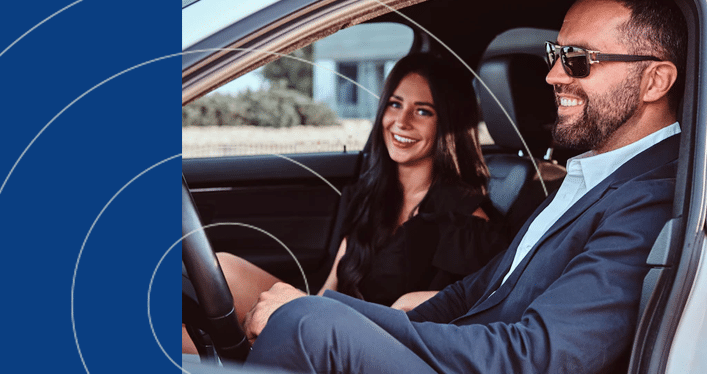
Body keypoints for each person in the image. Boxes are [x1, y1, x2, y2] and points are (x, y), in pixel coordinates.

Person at [241, 0, 687, 374]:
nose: (553, 75)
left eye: (578, 59)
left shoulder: (651, 196)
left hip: (499, 370)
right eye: (556, 53)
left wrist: (330, 314)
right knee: (307, 316)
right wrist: (363, 320)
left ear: (655, 81)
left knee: (307, 324)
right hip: (478, 358)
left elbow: (535, 361)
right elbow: (471, 294)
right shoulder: (590, 177)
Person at [183, 53, 511, 354]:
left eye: (423, 111)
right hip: (331, 323)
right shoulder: (372, 195)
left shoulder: (468, 223)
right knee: (219, 271)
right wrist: (301, 314)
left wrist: (306, 322)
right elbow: (330, 289)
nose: (402, 121)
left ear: (449, 122)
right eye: (395, 104)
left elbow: (454, 322)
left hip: (371, 351)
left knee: (198, 345)